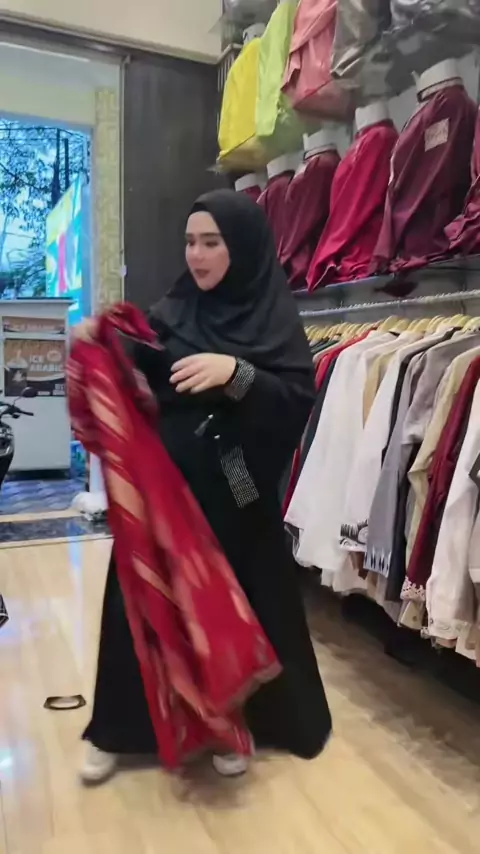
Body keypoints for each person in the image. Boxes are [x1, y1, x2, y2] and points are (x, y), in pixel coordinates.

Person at [78, 189, 332, 784]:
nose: (196, 254)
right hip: (167, 487)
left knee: (240, 604)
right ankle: (118, 728)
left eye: (211, 242)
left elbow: (296, 399)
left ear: (240, 247)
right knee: (138, 604)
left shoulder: (271, 319)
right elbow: (143, 366)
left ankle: (235, 724)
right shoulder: (173, 311)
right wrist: (103, 344)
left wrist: (237, 374)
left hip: (236, 489)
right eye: (190, 241)